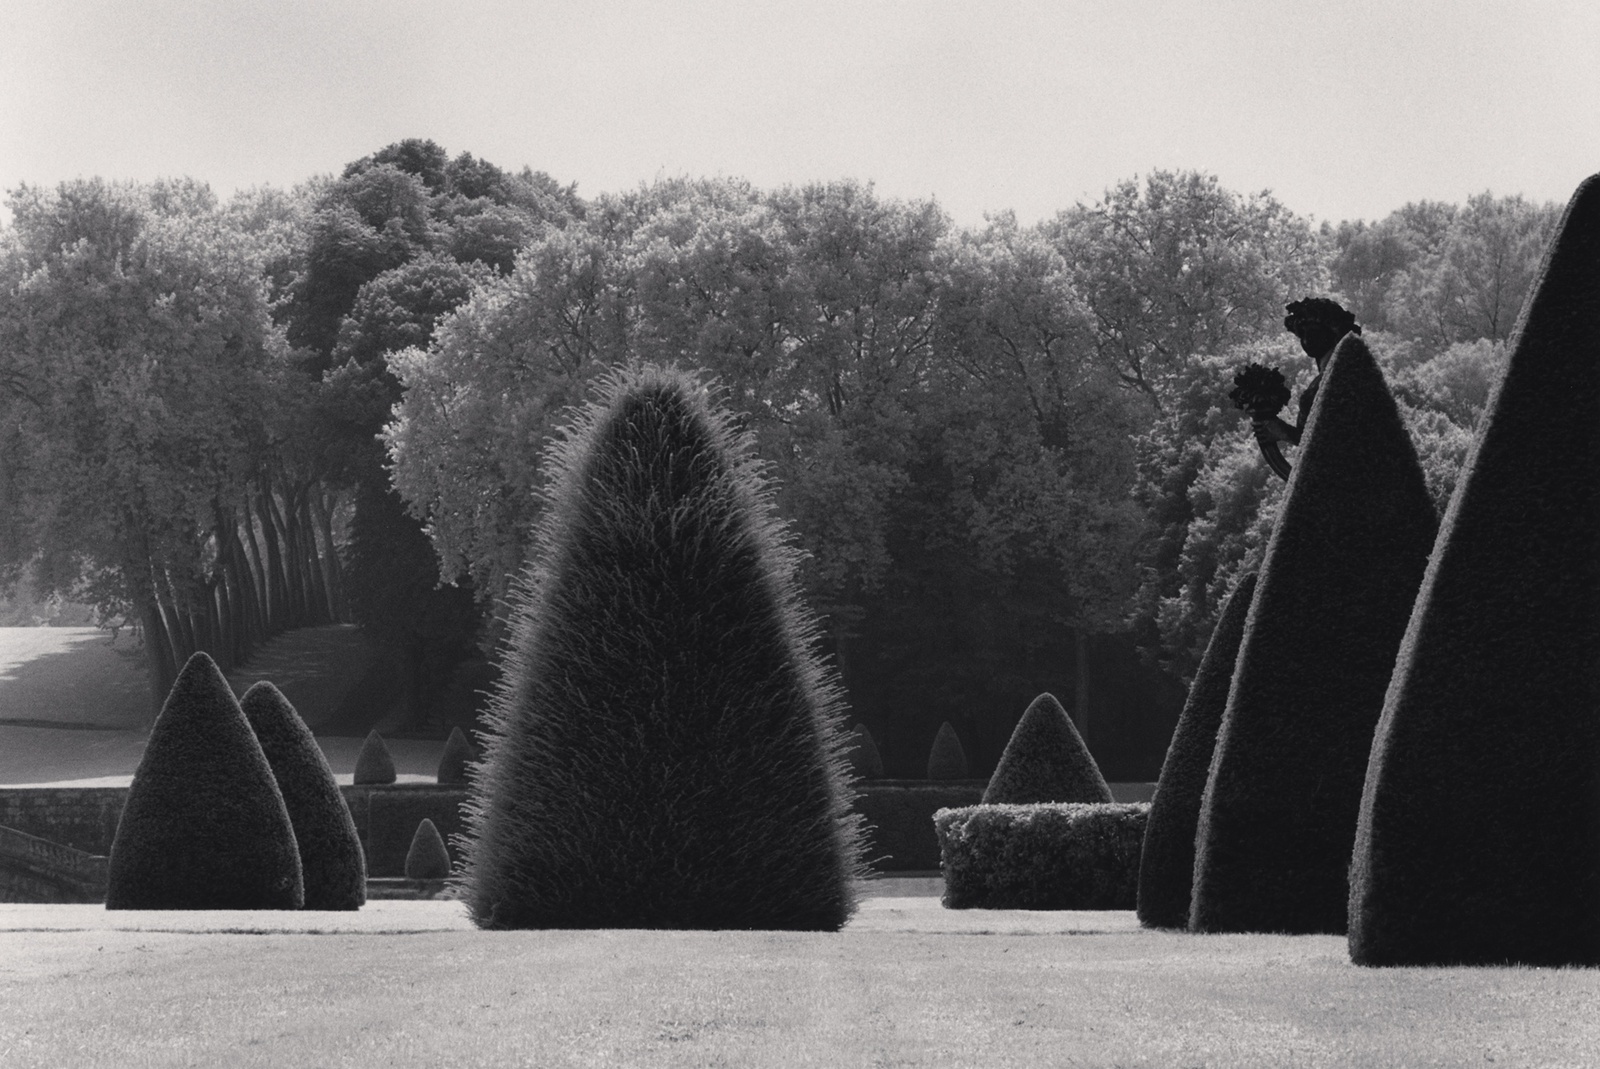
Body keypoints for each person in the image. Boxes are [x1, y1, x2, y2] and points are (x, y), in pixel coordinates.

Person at [1254, 297, 1361, 449]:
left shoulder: (1338, 379)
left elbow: (1329, 442)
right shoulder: (1328, 378)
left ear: (1334, 333)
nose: (1307, 338)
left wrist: (1284, 432)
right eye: (1302, 332)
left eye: (1314, 332)